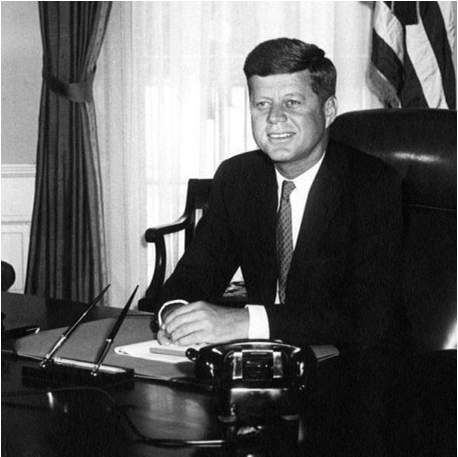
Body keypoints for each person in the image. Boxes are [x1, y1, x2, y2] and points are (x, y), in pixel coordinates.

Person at [153, 37, 412, 457]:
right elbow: (190, 279)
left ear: (327, 110)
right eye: (261, 105)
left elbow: (366, 319)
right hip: (262, 387)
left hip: (356, 390)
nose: (274, 119)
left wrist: (244, 323)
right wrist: (174, 316)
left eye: (292, 102)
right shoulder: (237, 179)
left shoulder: (372, 185)